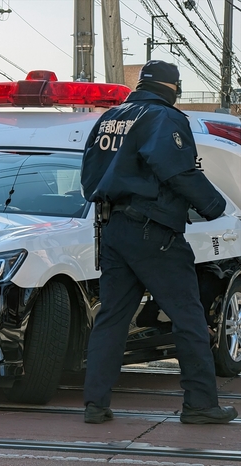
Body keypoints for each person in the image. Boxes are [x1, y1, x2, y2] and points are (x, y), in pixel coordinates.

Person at [80, 60, 238, 425]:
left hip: (114, 228)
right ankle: (200, 404)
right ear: (173, 88)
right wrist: (215, 207)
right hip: (155, 233)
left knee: (112, 319)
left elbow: (89, 177)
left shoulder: (110, 118)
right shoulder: (164, 118)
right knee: (189, 317)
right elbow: (177, 169)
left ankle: (95, 404)